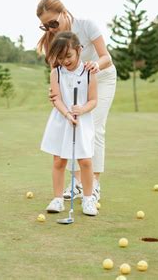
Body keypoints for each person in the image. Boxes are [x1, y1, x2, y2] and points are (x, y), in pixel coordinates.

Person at [36, 0, 117, 202]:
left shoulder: (86, 25)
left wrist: (97, 65)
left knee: (93, 128)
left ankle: (94, 184)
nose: (51, 29)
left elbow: (106, 56)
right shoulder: (53, 40)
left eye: (53, 23)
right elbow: (58, 74)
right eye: (45, 26)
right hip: (74, 84)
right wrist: (55, 93)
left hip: (102, 76)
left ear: (64, 13)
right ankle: (78, 183)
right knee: (71, 126)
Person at [40, 31, 98, 216]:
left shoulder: (90, 72)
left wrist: (81, 110)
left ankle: (88, 199)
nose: (65, 61)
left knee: (86, 161)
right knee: (59, 161)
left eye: (68, 56)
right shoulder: (56, 73)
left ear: (79, 50)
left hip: (82, 120)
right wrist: (67, 113)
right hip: (61, 119)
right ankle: (57, 199)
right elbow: (56, 98)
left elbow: (93, 100)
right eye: (60, 57)